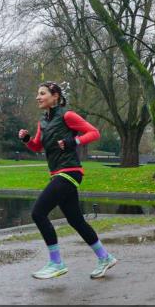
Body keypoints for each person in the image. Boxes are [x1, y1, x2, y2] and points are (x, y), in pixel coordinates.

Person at [18, 82, 116, 280]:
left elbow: (94, 132)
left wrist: (74, 141)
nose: (38, 97)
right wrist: (28, 139)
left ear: (55, 96)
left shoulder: (67, 116)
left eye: (42, 93)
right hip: (57, 173)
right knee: (75, 220)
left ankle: (56, 263)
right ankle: (104, 257)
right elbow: (38, 147)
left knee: (38, 213)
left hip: (70, 171)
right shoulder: (42, 122)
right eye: (37, 93)